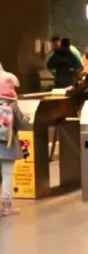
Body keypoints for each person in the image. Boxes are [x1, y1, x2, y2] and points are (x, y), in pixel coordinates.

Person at [0, 69, 27, 216]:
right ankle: (6, 205)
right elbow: (22, 123)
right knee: (7, 174)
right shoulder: (12, 104)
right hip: (8, 144)